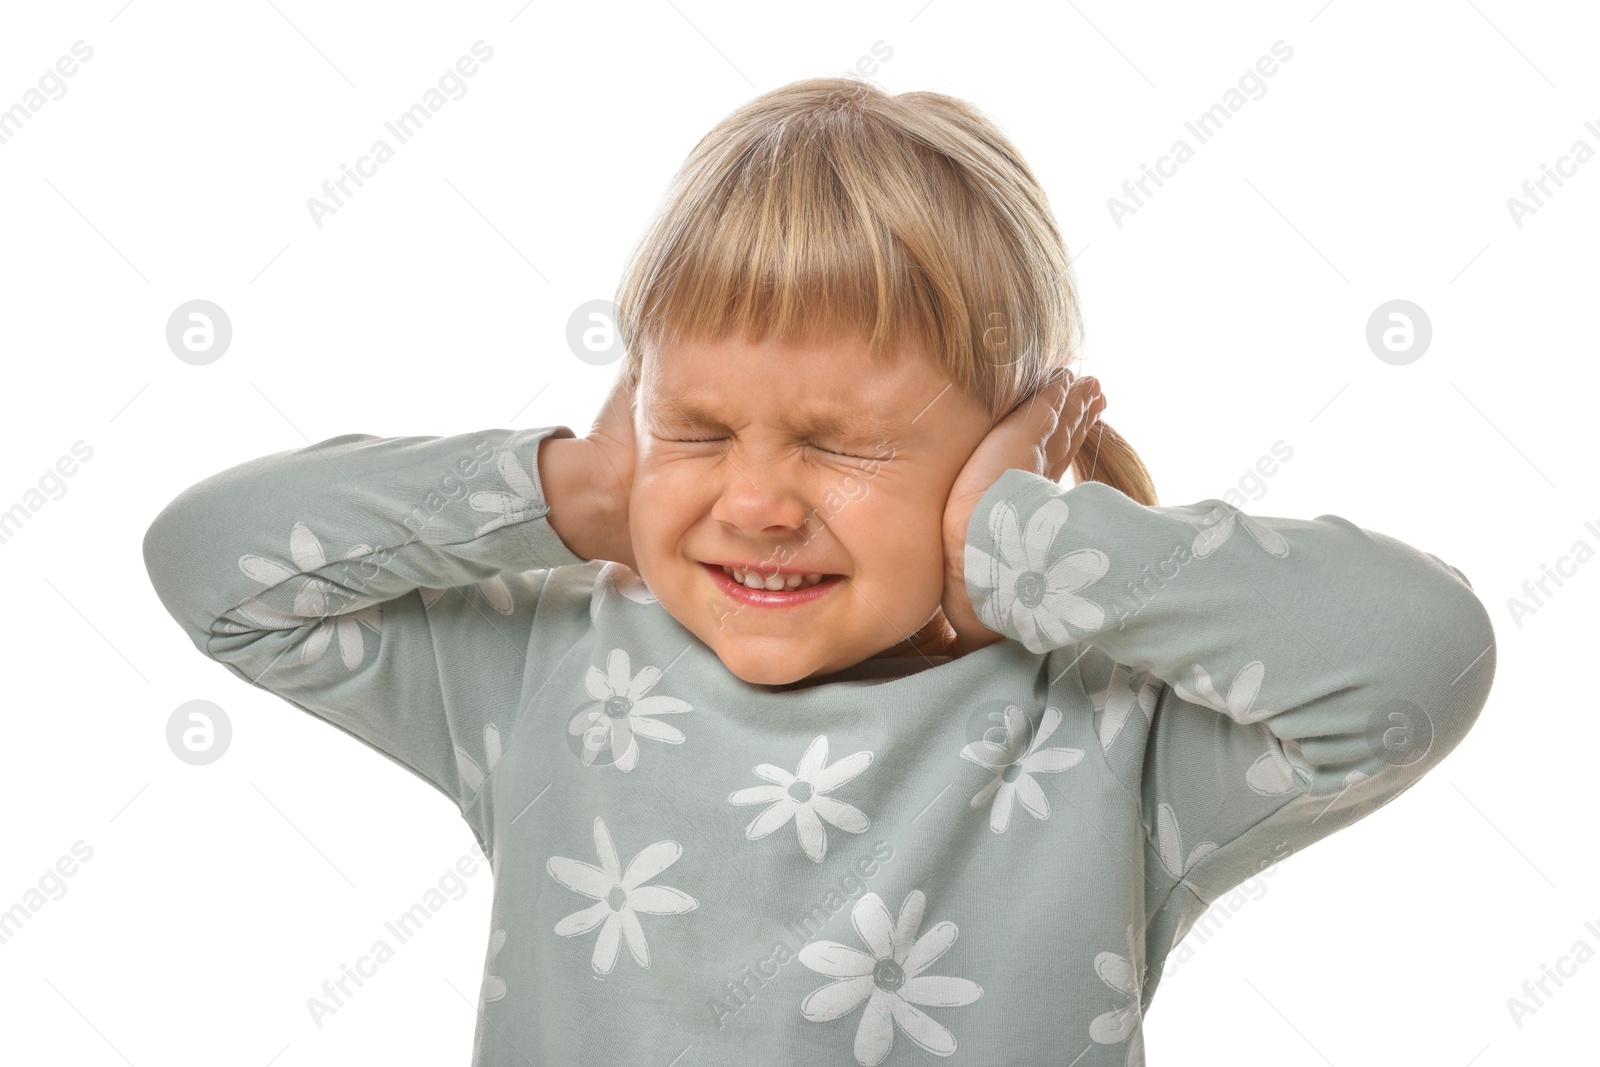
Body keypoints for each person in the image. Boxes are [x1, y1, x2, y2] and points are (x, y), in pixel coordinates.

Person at [142, 77, 1496, 1066]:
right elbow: (216, 567)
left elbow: (1416, 659)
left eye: (844, 447)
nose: (754, 501)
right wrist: (571, 493)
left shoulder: (1113, 737)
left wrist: (1031, 550)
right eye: (701, 429)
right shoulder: (550, 674)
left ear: (1004, 460)